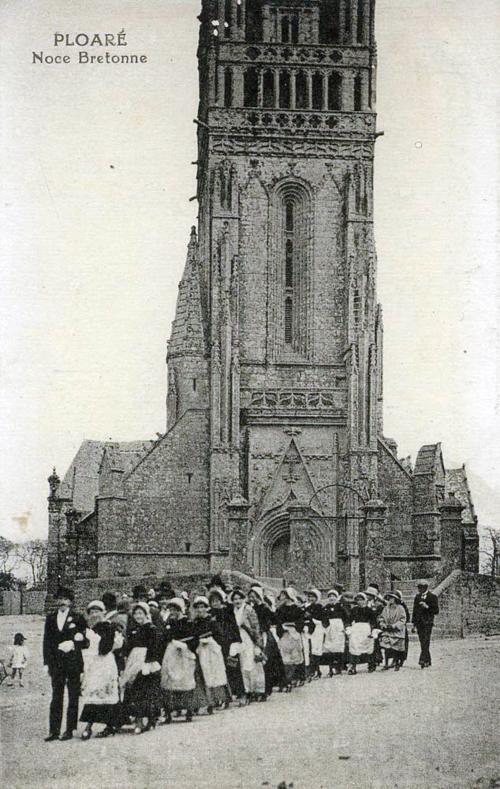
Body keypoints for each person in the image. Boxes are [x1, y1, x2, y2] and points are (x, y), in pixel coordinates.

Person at [43, 586, 89, 741]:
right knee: (56, 696)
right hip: (56, 663)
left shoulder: (78, 617)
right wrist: (46, 662)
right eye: (60, 599)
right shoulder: (50, 618)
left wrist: (74, 643)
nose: (62, 602)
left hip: (73, 662)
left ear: (70, 601)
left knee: (73, 696)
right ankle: (54, 730)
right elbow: (46, 642)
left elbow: (86, 641)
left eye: (65, 599)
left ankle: (69, 729)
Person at [80, 601, 123, 739]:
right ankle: (89, 725)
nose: (94, 615)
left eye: (97, 611)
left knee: (107, 691)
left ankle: (110, 725)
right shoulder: (88, 629)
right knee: (93, 692)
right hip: (93, 663)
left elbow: (105, 648)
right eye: (91, 612)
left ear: (103, 612)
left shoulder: (109, 627)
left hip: (105, 662)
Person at [121, 601, 162, 734]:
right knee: (133, 689)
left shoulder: (151, 629)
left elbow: (154, 647)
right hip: (134, 660)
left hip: (146, 661)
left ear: (146, 614)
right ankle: (137, 719)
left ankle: (149, 719)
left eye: (140, 613)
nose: (138, 616)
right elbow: (129, 646)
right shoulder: (134, 629)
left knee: (145, 691)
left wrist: (148, 662)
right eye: (136, 614)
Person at [160, 597, 198, 723]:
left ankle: (188, 710)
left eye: (175, 609)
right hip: (171, 653)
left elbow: (194, 638)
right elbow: (165, 637)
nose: (173, 612)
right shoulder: (169, 622)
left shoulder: (187, 622)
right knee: (169, 680)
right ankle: (169, 712)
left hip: (184, 653)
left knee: (185, 680)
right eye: (171, 610)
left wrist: (185, 646)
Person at [192, 595, 230, 713]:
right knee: (203, 675)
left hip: (212, 651)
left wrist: (211, 641)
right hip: (200, 650)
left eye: (202, 607)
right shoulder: (195, 622)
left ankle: (222, 698)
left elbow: (220, 637)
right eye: (197, 608)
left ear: (206, 608)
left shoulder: (212, 621)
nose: (200, 610)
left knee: (216, 673)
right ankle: (208, 701)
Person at [208, 586, 246, 702]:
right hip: (216, 645)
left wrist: (236, 642)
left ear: (221, 601)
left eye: (217, 601)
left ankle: (241, 693)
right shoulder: (210, 614)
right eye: (213, 601)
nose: (215, 603)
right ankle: (225, 696)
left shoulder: (227, 612)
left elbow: (234, 627)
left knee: (233, 669)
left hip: (229, 644)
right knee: (220, 671)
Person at [248, 586, 287, 696]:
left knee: (268, 660)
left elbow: (275, 619)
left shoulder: (264, 607)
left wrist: (266, 626)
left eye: (254, 596)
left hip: (265, 634)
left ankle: (269, 687)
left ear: (258, 596)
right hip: (255, 635)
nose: (252, 599)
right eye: (250, 597)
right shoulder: (250, 608)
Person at [229, 588, 265, 702]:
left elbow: (255, 626)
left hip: (248, 638)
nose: (237, 601)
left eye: (239, 598)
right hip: (238, 639)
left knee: (251, 663)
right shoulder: (232, 611)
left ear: (243, 599)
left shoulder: (248, 609)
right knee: (242, 664)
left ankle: (257, 689)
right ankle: (246, 689)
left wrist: (258, 643)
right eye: (235, 599)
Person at [275, 587, 305, 689]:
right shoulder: (280, 609)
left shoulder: (297, 609)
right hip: (284, 634)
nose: (281, 597)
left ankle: (296, 677)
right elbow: (278, 621)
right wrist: (281, 628)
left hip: (294, 633)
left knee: (295, 656)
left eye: (284, 595)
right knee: (285, 656)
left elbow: (300, 621)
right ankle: (286, 679)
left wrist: (294, 626)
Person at [347, 592, 379, 675]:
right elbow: (349, 620)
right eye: (358, 600)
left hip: (366, 629)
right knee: (354, 646)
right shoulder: (354, 610)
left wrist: (373, 631)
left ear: (365, 600)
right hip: (356, 630)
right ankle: (353, 666)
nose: (360, 602)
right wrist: (349, 629)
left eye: (361, 600)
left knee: (368, 646)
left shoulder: (369, 610)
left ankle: (371, 664)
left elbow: (374, 622)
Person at [321, 589, 350, 676]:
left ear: (336, 598)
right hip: (329, 629)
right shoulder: (325, 608)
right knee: (330, 648)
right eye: (330, 596)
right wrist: (325, 626)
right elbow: (323, 618)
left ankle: (339, 667)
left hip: (339, 628)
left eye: (333, 596)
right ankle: (330, 668)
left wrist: (345, 627)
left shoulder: (341, 607)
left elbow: (346, 618)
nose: (331, 598)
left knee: (339, 648)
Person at [412, 581, 439, 668]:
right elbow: (414, 611)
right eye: (418, 587)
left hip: (428, 623)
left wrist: (427, 607)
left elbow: (436, 611)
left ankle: (422, 660)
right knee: (422, 642)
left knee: (426, 641)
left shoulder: (433, 597)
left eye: (421, 587)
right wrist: (414, 624)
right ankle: (428, 660)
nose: (419, 589)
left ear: (425, 587)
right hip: (419, 623)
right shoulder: (417, 597)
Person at [378, 592, 407, 671]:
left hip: (397, 631)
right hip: (388, 631)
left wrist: (394, 626)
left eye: (391, 598)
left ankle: (397, 663)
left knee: (397, 648)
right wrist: (383, 625)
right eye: (389, 598)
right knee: (386, 647)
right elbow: (381, 618)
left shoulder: (400, 608)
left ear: (395, 599)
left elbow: (403, 619)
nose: (389, 599)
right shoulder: (386, 608)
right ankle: (386, 664)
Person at [304, 588, 325, 680]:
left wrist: (311, 618)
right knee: (309, 649)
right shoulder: (307, 607)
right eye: (309, 597)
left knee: (316, 649)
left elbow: (322, 619)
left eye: (313, 597)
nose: (311, 599)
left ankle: (317, 670)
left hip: (317, 630)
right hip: (309, 629)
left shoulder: (320, 607)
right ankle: (312, 670)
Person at [393, 590, 410, 665]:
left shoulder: (402, 605)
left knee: (402, 643)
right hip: (394, 627)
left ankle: (402, 659)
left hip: (401, 627)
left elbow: (407, 617)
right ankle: (395, 659)